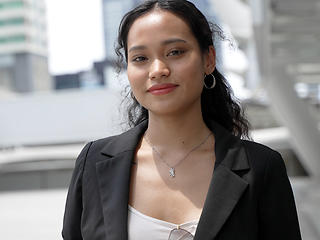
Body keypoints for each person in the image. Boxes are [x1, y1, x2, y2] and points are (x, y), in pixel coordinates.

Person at [62, 0, 302, 239]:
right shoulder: (93, 162)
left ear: (208, 59)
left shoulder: (262, 167)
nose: (157, 70)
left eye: (175, 52)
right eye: (140, 58)